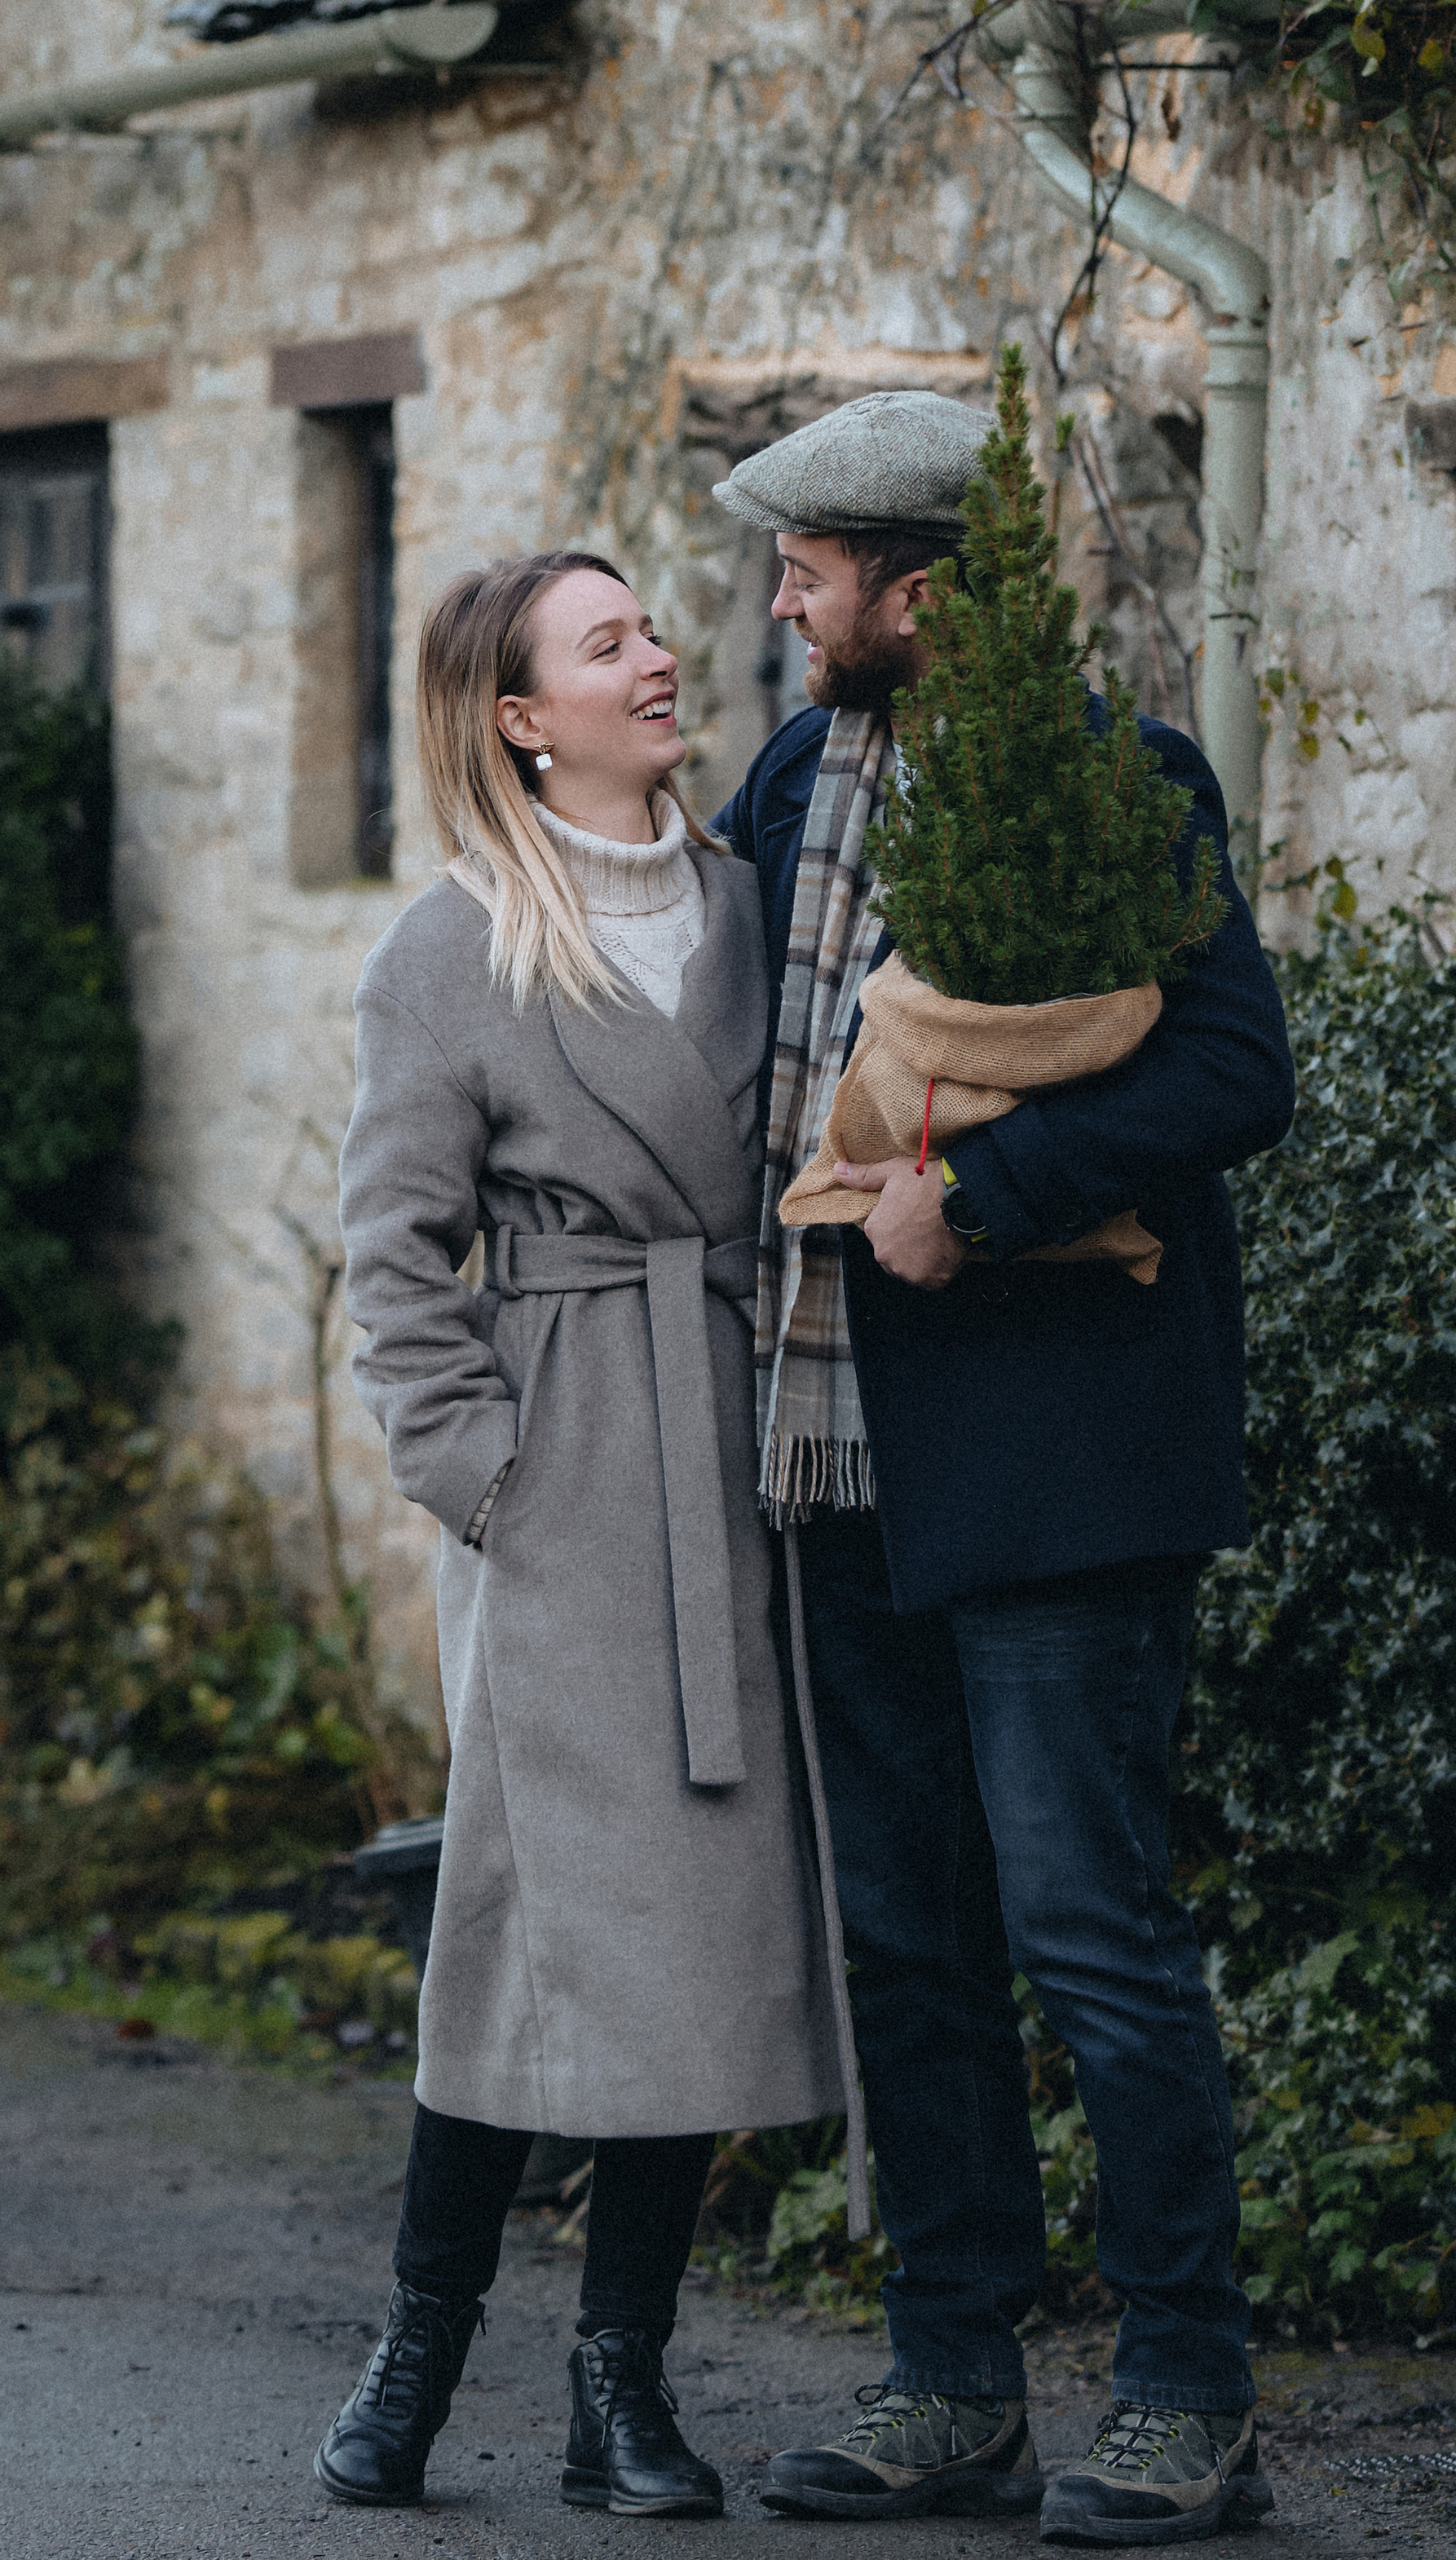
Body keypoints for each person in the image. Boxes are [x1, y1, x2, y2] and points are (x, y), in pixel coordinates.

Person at [708, 395, 1297, 2547]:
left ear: (923, 592)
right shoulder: (792, 775)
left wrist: (1004, 1186)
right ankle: (954, 2380)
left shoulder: (1118, 779)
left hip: (1055, 1459)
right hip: (832, 1446)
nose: (781, 602)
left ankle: (1185, 2398)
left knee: (1088, 1926)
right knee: (909, 1937)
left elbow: (1242, 1067)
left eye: (812, 571)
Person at [321, 548, 847, 2521]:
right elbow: (391, 1257)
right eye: (606, 642)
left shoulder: (742, 907)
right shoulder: (444, 949)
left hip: (731, 1462)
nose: (656, 661)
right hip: (558, 1491)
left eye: (647, 631)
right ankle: (419, 2344)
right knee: (526, 1928)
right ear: (522, 715)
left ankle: (618, 2381)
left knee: (697, 1945)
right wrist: (486, 1479)